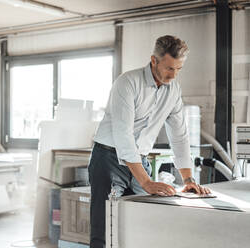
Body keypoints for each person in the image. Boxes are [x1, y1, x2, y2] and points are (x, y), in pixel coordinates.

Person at [88, 35, 211, 248]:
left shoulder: (173, 91)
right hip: (108, 159)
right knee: (106, 228)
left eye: (178, 69)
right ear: (154, 60)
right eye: (169, 68)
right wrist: (146, 182)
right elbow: (123, 135)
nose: (173, 75)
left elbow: (179, 135)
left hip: (140, 161)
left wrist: (188, 179)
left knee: (138, 225)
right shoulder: (127, 83)